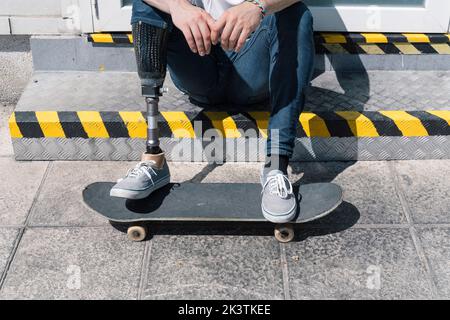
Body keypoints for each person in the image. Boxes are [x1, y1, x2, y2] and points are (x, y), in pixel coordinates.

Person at [110, 0, 315, 223]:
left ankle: (276, 166)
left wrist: (259, 6)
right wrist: (177, 6)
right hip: (199, 63)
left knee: (296, 13)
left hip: (253, 65)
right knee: (148, 5)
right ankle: (153, 159)